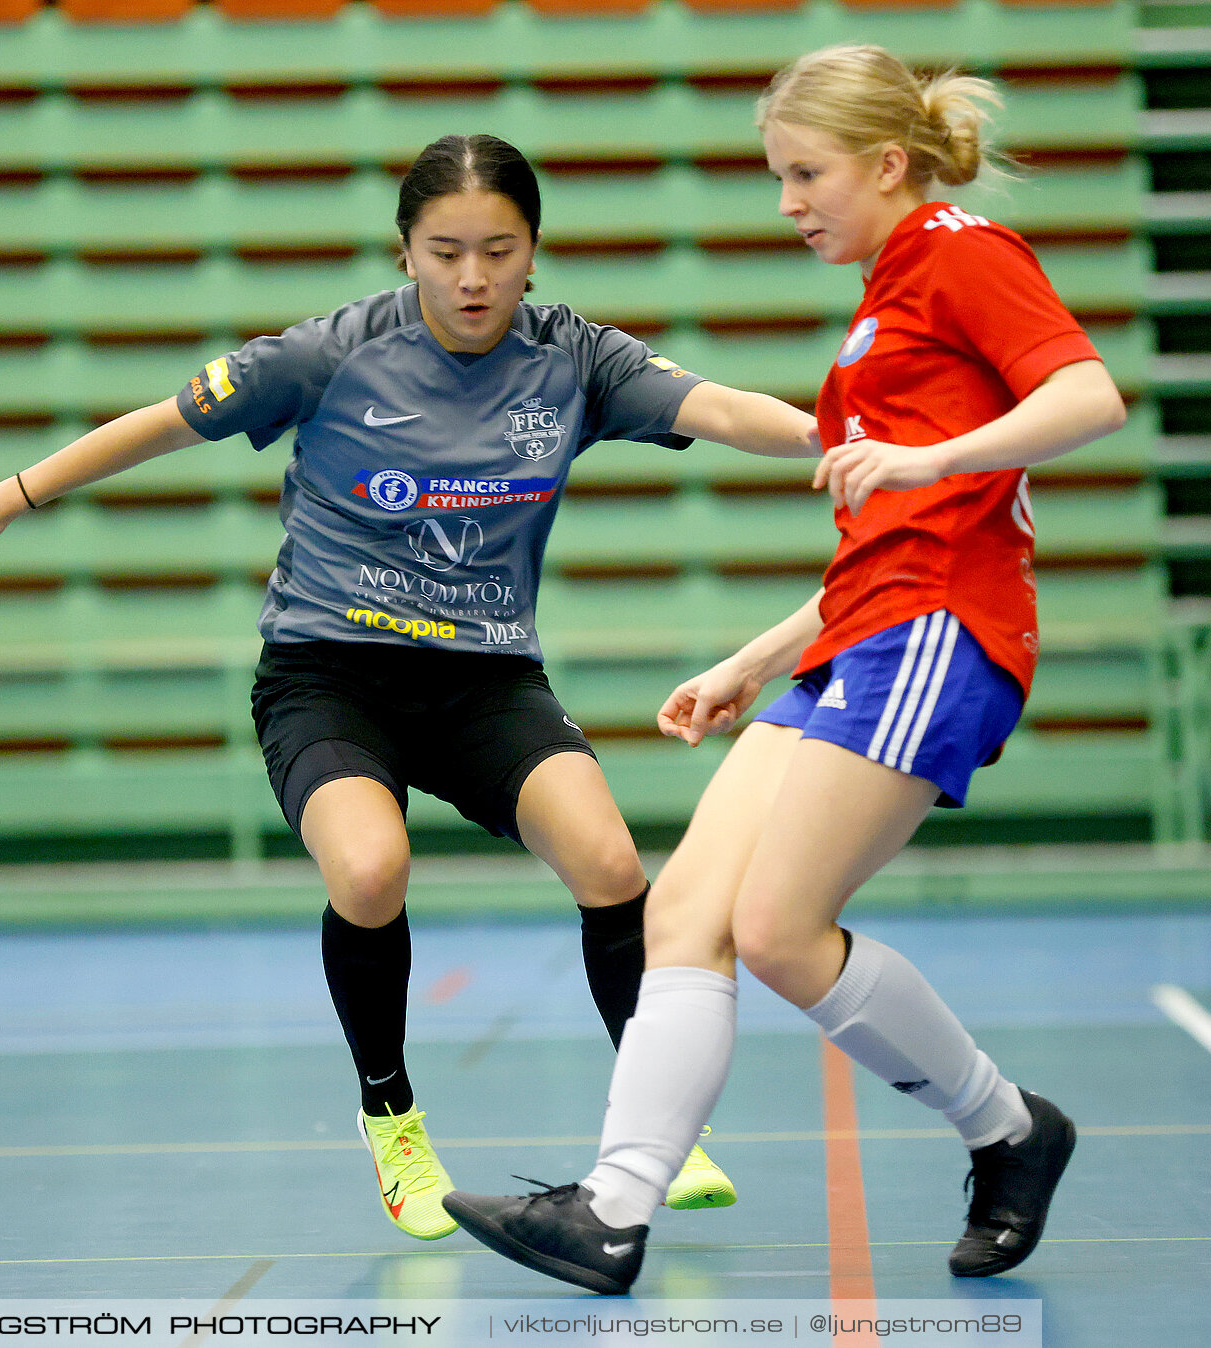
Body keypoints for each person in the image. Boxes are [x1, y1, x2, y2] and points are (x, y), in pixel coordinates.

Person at [0, 134, 822, 1243]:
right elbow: (165, 421)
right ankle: (390, 1115)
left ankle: (651, 1130)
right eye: (446, 252)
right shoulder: (329, 355)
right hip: (329, 673)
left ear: (534, 253)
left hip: (486, 677)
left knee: (613, 861)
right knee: (372, 866)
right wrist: (13, 492)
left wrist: (853, 443)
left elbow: (722, 408)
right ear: (406, 253)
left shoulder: (572, 359)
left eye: (499, 250)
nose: (473, 278)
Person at [442, 47, 1128, 1292]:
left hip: (940, 632)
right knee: (684, 914)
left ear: (885, 162)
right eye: (777, 176)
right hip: (861, 628)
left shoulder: (965, 250)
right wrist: (757, 658)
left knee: (777, 929)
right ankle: (611, 1209)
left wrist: (933, 460)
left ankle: (1011, 1129)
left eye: (806, 173)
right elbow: (879, 532)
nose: (788, 201)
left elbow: (1089, 396)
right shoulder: (884, 297)